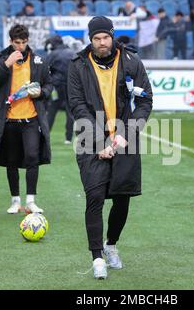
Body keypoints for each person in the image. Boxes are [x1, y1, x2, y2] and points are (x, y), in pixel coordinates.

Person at [67, 16, 153, 279]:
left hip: (124, 141)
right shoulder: (78, 65)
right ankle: (96, 258)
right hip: (90, 142)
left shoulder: (131, 61)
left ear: (112, 37)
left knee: (122, 198)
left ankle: (111, 245)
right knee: (94, 197)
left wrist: (126, 134)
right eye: (96, 39)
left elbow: (145, 101)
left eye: (105, 37)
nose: (101, 43)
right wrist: (100, 142)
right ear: (90, 40)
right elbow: (76, 105)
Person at [0, 24, 53, 214]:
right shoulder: (1, 58)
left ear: (28, 41)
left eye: (23, 43)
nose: (20, 47)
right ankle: (15, 201)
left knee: (32, 156)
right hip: (9, 119)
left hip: (31, 118)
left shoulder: (38, 60)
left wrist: (40, 92)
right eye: (17, 43)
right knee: (12, 161)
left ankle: (30, 201)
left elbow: (49, 85)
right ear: (10, 41)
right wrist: (6, 64)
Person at [44, 35, 75, 144]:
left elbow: (45, 69)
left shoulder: (53, 54)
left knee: (52, 109)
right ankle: (68, 138)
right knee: (70, 111)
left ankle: (45, 135)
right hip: (71, 86)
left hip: (56, 86)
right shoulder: (72, 53)